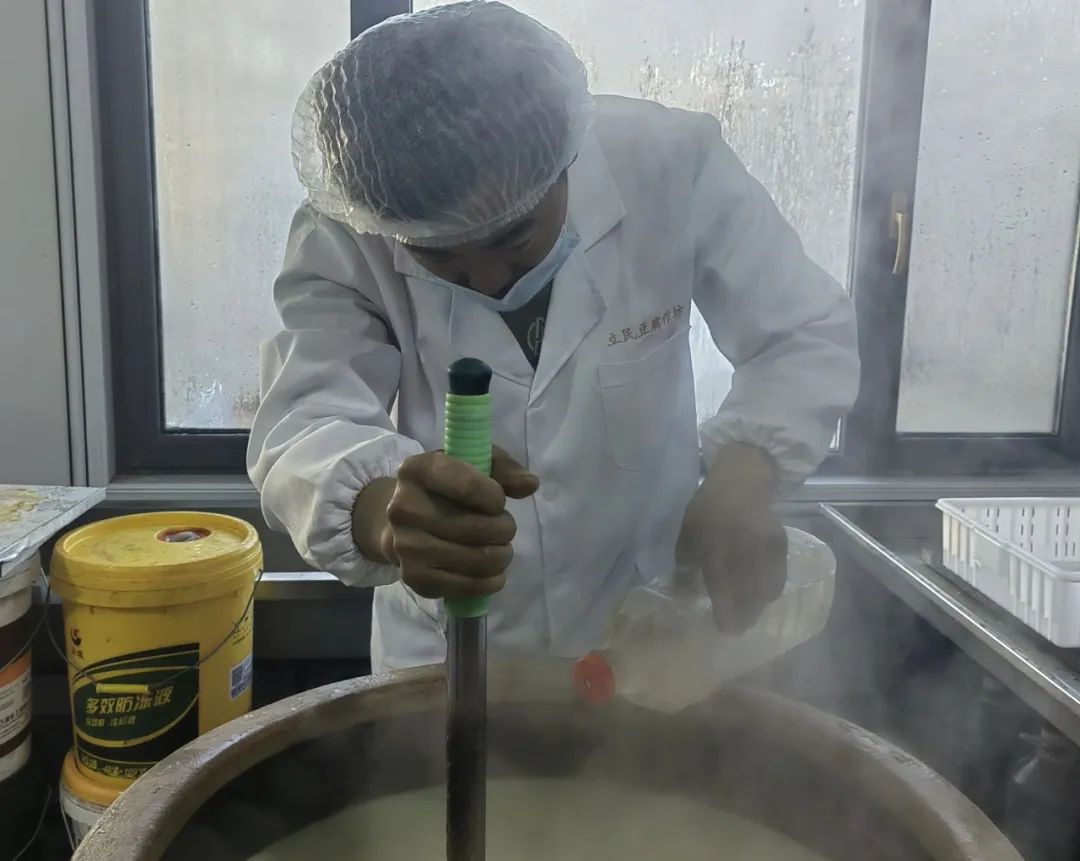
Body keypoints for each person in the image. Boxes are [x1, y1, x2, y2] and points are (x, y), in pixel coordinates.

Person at [249, 1, 860, 672]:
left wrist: (744, 477)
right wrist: (383, 511)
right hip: (447, 651)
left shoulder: (669, 163)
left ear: (566, 163)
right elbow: (306, 420)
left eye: (514, 238)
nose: (489, 280)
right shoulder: (353, 221)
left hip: (649, 631)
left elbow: (802, 331)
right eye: (442, 259)